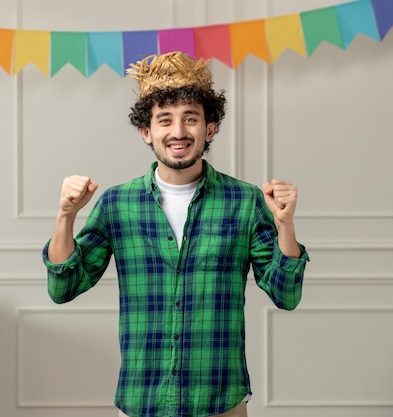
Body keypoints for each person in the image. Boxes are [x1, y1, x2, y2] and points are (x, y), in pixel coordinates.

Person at [42, 51, 309, 417]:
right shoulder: (117, 204)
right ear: (146, 131)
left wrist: (285, 225)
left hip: (220, 403)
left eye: (191, 119)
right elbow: (63, 288)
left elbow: (286, 295)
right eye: (165, 120)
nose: (178, 132)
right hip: (142, 401)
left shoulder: (246, 202)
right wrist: (65, 216)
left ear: (209, 128)